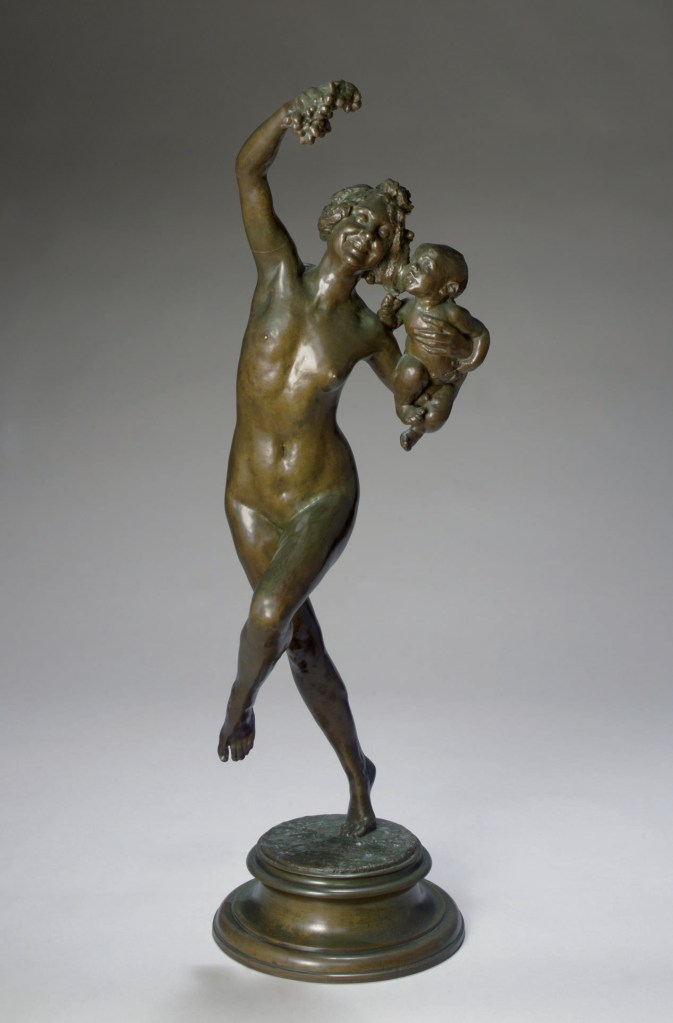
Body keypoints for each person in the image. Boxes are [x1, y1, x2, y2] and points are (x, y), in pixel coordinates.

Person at [217, 81, 414, 837]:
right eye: (358, 221)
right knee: (298, 642)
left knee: (269, 614)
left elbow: (407, 394)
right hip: (247, 494)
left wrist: (437, 352)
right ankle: (359, 777)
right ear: (334, 220)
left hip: (321, 493)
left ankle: (238, 709)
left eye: (379, 237)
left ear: (383, 256)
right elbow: (248, 172)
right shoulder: (276, 274)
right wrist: (290, 115)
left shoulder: (367, 329)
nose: (365, 239)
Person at [380, 244, 490, 450]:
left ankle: (417, 430)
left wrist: (471, 363)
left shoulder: (453, 314)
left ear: (448, 288)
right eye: (415, 261)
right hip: (416, 369)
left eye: (426, 266)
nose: (413, 267)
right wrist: (386, 313)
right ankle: (403, 406)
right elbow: (387, 325)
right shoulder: (409, 307)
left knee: (435, 420)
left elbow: (481, 334)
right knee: (410, 371)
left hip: (445, 381)